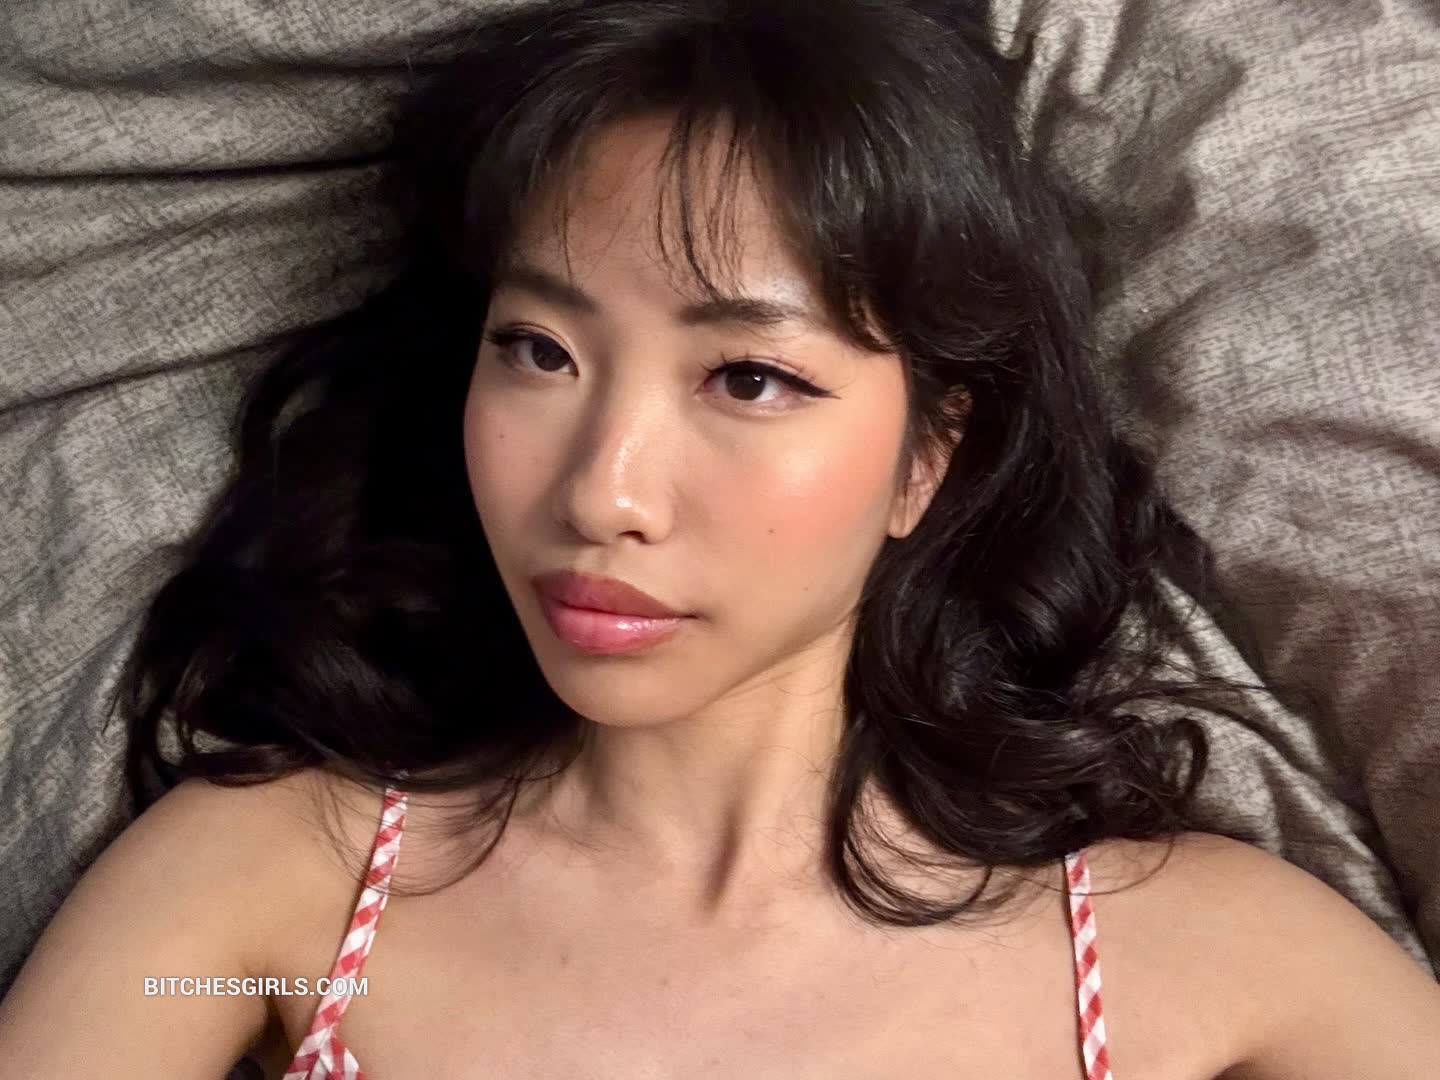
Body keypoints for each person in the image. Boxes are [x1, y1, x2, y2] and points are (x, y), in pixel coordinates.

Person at [2, 0, 1438, 1076]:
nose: (602, 493)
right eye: (540, 351)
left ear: (925, 458)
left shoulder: (1213, 964)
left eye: (750, 377)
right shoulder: (273, 891)